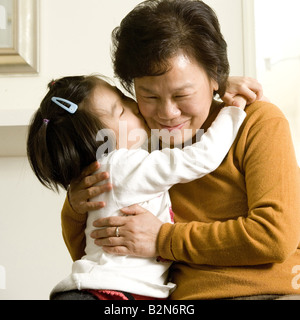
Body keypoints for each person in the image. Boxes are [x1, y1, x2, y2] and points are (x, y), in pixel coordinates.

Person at [61, 0, 300, 300]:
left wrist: (163, 239)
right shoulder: (136, 139)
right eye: (149, 95)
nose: (167, 113)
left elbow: (274, 236)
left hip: (269, 293)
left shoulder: (257, 121)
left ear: (216, 77)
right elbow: (98, 256)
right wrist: (74, 206)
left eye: (182, 94)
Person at [27, 75, 246, 300]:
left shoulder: (109, 170)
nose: (134, 105)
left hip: (105, 289)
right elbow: (200, 158)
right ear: (100, 142)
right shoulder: (122, 165)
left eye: (124, 97)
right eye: (121, 110)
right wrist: (232, 112)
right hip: (107, 292)